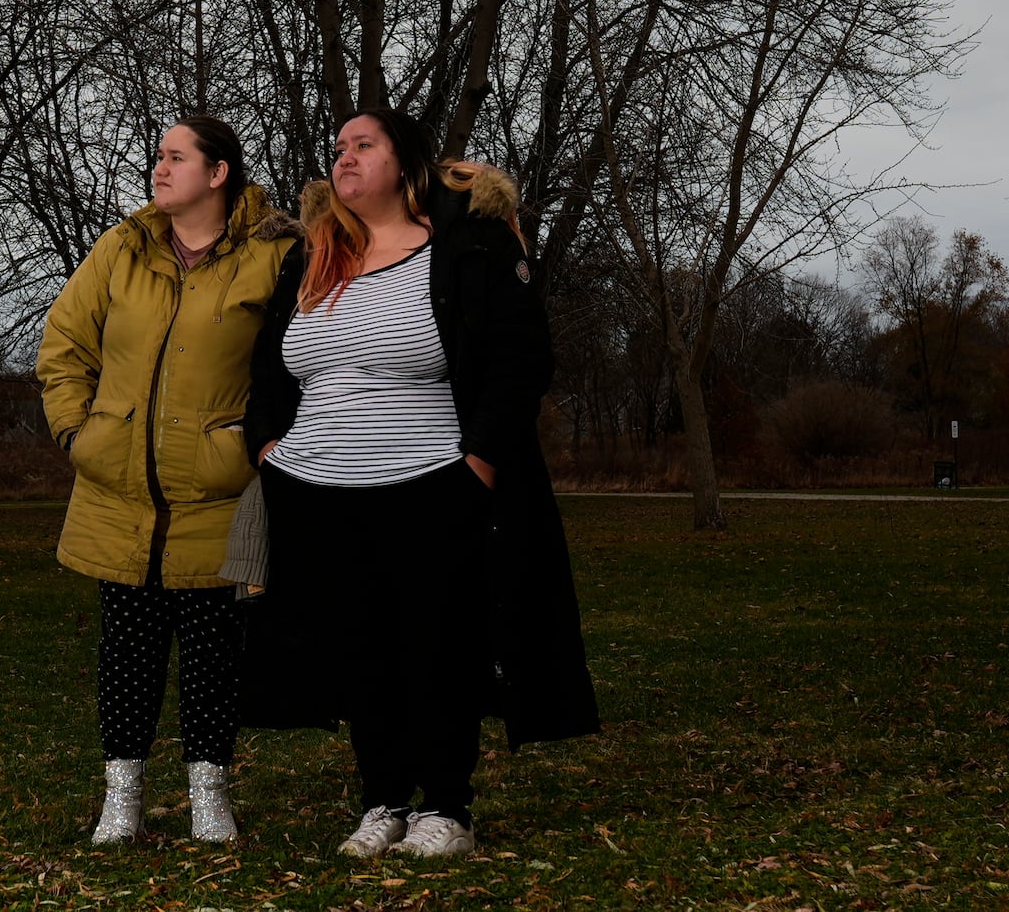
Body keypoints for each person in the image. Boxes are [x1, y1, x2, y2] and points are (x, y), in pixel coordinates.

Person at [241, 107, 599, 858]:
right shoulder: (312, 256)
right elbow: (271, 367)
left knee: (437, 642)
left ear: (405, 163)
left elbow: (518, 358)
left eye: (363, 145)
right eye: (338, 147)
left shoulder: (465, 245)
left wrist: (480, 462)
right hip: (315, 487)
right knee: (359, 646)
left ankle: (447, 808)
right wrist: (270, 446)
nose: (344, 157)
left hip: (432, 479)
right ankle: (383, 802)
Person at [37, 115, 297, 845]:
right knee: (127, 651)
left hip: (218, 491)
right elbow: (63, 344)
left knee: (214, 656)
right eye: (158, 155)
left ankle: (208, 796)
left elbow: (294, 361)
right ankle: (121, 798)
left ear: (218, 173)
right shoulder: (122, 248)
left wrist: (253, 444)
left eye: (176, 157)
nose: (160, 168)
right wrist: (77, 431)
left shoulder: (274, 256)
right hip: (118, 490)